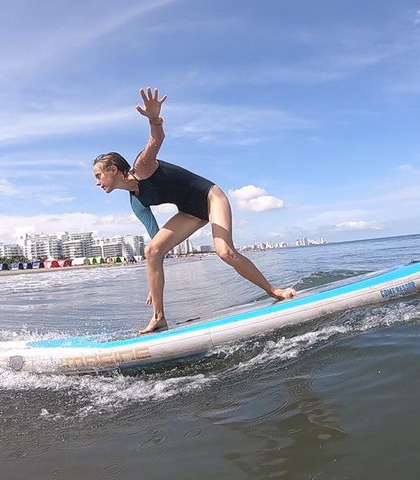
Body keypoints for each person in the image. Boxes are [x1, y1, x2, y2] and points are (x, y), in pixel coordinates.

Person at [92, 87, 296, 334]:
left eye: (98, 175)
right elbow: (157, 244)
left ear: (113, 170)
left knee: (224, 252)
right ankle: (159, 318)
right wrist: (153, 278)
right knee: (151, 251)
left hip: (210, 196)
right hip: (191, 212)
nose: (97, 182)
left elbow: (156, 140)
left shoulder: (142, 166)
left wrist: (154, 119)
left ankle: (274, 291)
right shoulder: (137, 203)